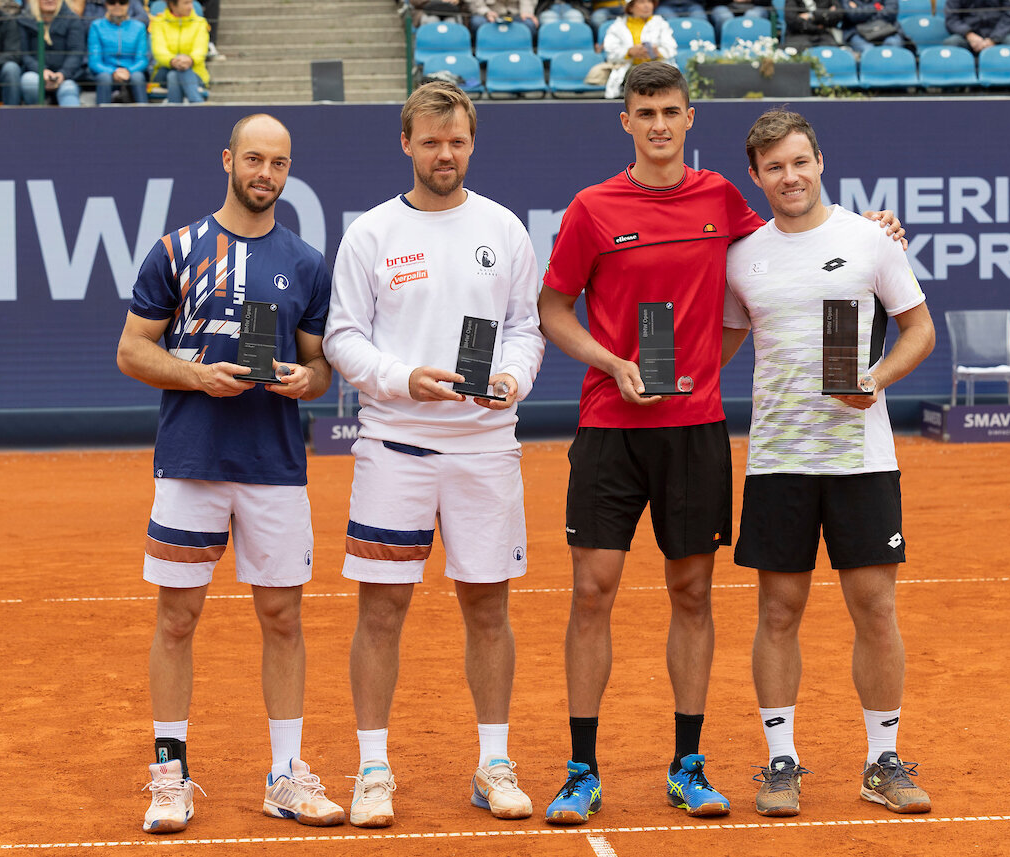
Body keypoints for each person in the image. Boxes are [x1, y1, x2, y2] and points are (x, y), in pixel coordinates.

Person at [537, 61, 904, 826]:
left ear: (689, 118)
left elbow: (797, 237)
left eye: (671, 110)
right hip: (609, 426)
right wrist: (611, 362)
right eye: (646, 112)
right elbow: (552, 309)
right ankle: (580, 767)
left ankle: (688, 763)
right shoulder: (590, 207)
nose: (660, 124)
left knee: (693, 593)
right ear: (626, 121)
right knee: (592, 590)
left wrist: (876, 232)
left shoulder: (722, 203)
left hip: (695, 431)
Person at [322, 81, 545, 829]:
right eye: (430, 141)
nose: (443, 153)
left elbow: (526, 327)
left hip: (486, 449)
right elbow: (344, 337)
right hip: (396, 445)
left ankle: (493, 762)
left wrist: (511, 377)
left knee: (488, 605)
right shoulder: (372, 233)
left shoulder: (505, 228)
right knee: (381, 609)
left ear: (471, 143)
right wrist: (400, 377)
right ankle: (374, 768)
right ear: (407, 144)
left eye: (456, 141)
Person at [117, 114, 345, 834]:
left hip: (274, 466)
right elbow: (131, 350)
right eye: (254, 159)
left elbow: (319, 368)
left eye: (278, 163)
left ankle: (285, 773)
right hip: (190, 461)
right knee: (177, 617)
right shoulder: (176, 250)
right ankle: (170, 773)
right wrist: (194, 375)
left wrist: (299, 383)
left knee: (282, 617)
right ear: (228, 161)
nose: (265, 173)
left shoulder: (308, 262)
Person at [721, 108, 935, 819]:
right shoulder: (741, 256)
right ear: (756, 177)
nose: (790, 175)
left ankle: (883, 760)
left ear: (820, 162)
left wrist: (874, 379)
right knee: (778, 610)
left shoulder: (871, 240)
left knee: (875, 608)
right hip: (778, 459)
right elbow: (717, 347)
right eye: (774, 166)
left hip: (861, 459)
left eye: (800, 161)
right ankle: (781, 760)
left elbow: (919, 330)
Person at [600, 0, 676, 99]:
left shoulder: (661, 24)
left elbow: (671, 49)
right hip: (630, 68)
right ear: (630, 7)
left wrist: (658, 52)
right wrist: (629, 52)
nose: (647, 6)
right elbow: (610, 54)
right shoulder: (617, 26)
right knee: (641, 75)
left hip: (658, 66)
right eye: (641, 2)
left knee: (657, 75)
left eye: (649, 2)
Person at [18, 0, 87, 106]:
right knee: (29, 81)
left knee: (69, 90)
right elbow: (24, 54)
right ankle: (36, 120)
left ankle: (73, 122)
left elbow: (76, 52)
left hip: (65, 77)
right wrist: (42, 71)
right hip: (36, 74)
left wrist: (62, 74)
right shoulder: (24, 20)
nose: (50, 0)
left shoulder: (72, 19)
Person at [86, 0, 148, 103]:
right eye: (112, 2)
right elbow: (94, 61)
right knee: (104, 78)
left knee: (138, 77)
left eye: (122, 2)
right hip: (106, 71)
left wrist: (128, 71)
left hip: (131, 71)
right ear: (106, 5)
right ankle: (101, 116)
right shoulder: (96, 26)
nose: (117, 5)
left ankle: (145, 115)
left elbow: (142, 59)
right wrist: (113, 72)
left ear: (128, 5)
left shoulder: (139, 27)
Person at [149, 0, 210, 103]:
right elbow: (159, 49)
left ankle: (174, 115)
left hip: (195, 72)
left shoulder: (200, 22)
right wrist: (173, 61)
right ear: (172, 5)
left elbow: (201, 49)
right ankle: (198, 104)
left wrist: (190, 60)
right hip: (163, 71)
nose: (191, 6)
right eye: (186, 3)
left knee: (174, 75)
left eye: (191, 2)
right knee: (176, 72)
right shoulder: (158, 22)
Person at [943, 0, 1010, 52]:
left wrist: (994, 39)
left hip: (999, 36)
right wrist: (969, 34)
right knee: (952, 43)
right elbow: (952, 19)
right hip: (968, 37)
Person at [840, 0, 905, 55]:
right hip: (857, 32)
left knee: (893, 46)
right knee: (868, 52)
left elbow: (890, 13)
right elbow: (852, 15)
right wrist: (876, 7)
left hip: (887, 30)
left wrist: (862, 15)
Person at [469, 0, 540, 37]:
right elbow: (474, 3)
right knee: (477, 23)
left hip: (515, 14)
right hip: (488, 12)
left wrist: (526, 11)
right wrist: (486, 12)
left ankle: (519, 55)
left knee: (529, 24)